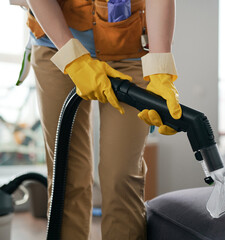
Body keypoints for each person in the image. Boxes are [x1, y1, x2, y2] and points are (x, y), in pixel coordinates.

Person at [25, 0, 180, 239]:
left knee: (122, 177)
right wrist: (73, 58)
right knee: (67, 176)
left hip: (129, 52)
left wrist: (160, 70)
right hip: (56, 46)